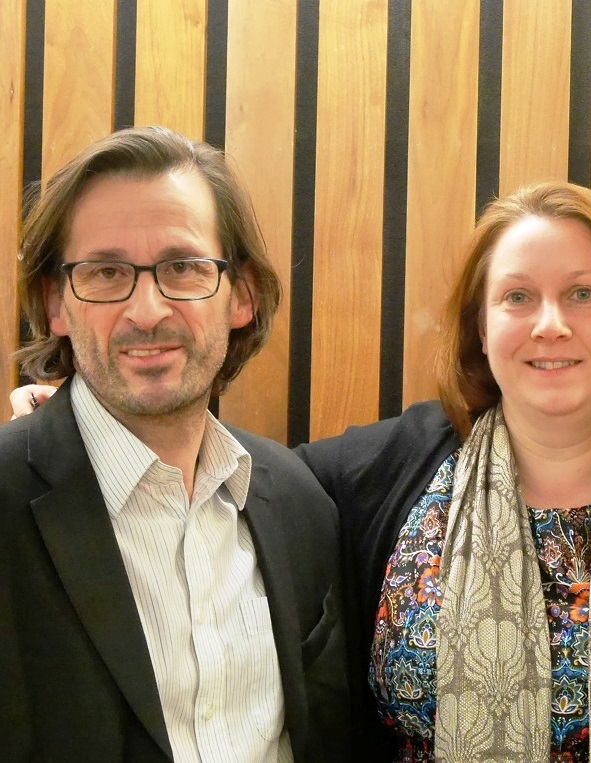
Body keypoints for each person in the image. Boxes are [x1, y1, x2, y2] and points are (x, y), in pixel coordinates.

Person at [13, 179, 591, 761]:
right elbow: (220, 477)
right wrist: (72, 428)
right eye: (516, 296)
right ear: (480, 329)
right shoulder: (384, 473)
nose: (549, 322)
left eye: (584, 292)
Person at [0, 126, 349, 761]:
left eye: (182, 267)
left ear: (239, 295)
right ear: (55, 304)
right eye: (105, 272)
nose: (147, 310)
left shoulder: (298, 504)